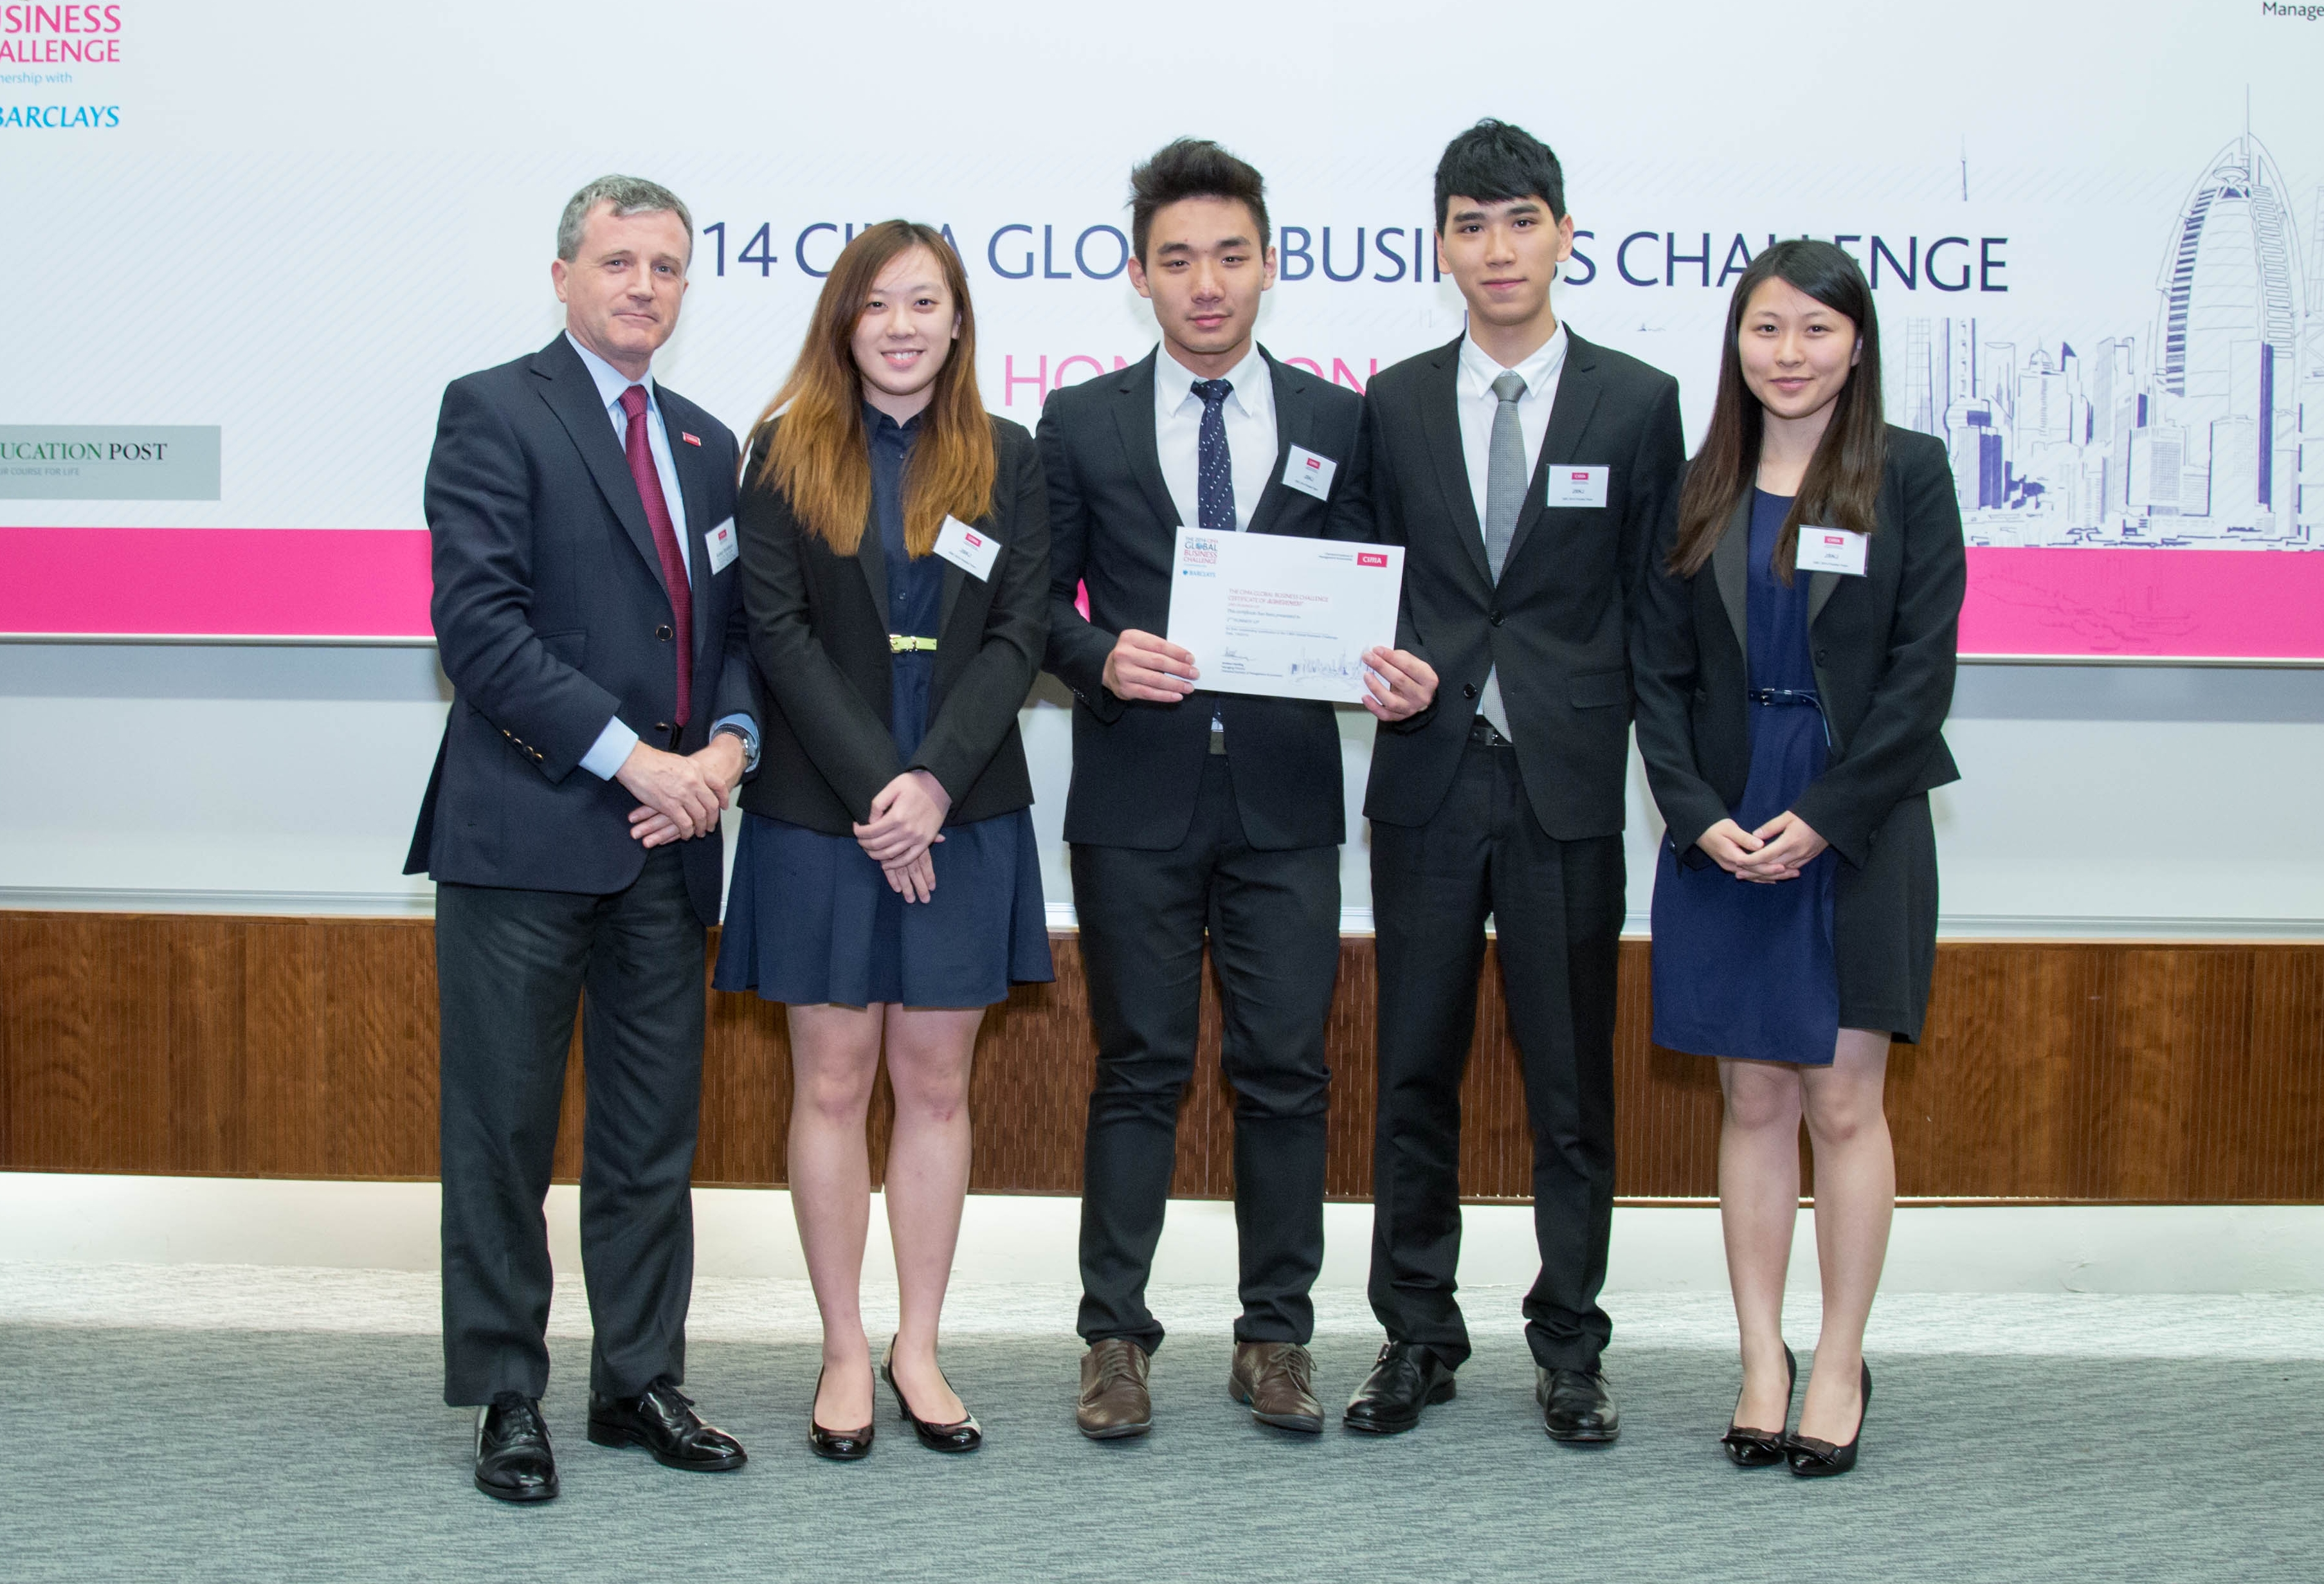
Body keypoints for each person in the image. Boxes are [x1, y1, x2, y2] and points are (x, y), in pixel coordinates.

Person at [1038, 138, 1432, 1441]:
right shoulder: (1082, 422)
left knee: (1286, 1072)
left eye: (1229, 256)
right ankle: (1115, 1339)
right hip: (1136, 798)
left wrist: (1384, 663)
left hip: (1283, 801)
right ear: (1139, 275)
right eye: (1177, 260)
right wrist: (1100, 653)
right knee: (1136, 1069)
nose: (1205, 283)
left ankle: (1277, 1337)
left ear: (1268, 264)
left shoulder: (1336, 420)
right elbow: (1034, 606)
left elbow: (1377, 585)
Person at [408, 174, 762, 1503]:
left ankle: (639, 1380)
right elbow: (481, 634)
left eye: (667, 267)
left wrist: (726, 753)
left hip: (671, 847)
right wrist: (643, 761)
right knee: (500, 1134)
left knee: (650, 1137)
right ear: (562, 275)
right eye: (619, 261)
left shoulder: (710, 444)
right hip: (525, 834)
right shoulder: (494, 410)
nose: (644, 287)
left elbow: (732, 642)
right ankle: (508, 1393)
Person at [1347, 120, 1684, 1444]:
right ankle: (1416, 1335)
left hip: (1565, 791)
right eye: (1472, 225)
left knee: (1569, 1083)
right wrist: (1371, 667)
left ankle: (1571, 1343)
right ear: (1441, 245)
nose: (1498, 248)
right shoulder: (1395, 399)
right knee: (1413, 1073)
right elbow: (1368, 587)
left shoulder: (1638, 402)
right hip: (1427, 783)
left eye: (1522, 220)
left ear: (1563, 234)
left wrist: (1684, 792)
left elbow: (1654, 613)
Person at [715, 221, 1052, 1459]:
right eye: (877, 305)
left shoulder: (1010, 457)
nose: (902, 325)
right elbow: (779, 632)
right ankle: (844, 1346)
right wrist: (881, 792)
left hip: (962, 813)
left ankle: (919, 1343)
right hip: (821, 812)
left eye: (927, 302)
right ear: (842, 323)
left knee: (936, 1084)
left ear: (960, 320)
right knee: (832, 1081)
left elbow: (1020, 636)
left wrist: (934, 787)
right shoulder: (783, 452)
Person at [1633, 239, 1965, 1476]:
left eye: (1816, 332)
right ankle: (1761, 1354)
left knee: (1842, 1100)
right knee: (1754, 1097)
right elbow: (1654, 677)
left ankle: (1838, 1358)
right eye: (1767, 330)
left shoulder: (1910, 476)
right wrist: (1693, 810)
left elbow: (1922, 673)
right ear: (1737, 341)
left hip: (1858, 819)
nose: (1789, 354)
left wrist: (1826, 813)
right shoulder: (1698, 484)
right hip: (1723, 822)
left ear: (1858, 344)